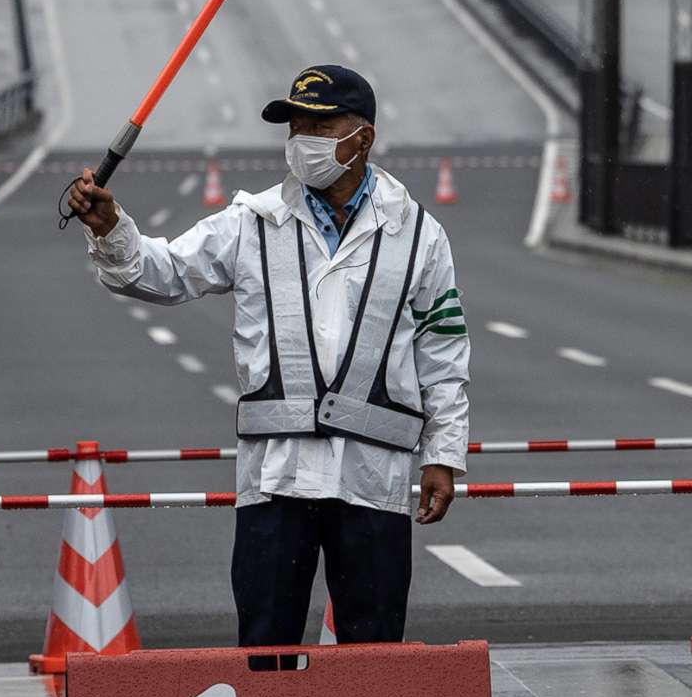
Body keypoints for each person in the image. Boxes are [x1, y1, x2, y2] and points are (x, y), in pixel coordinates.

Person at [64, 64, 469, 647]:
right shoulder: (252, 223)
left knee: (375, 657)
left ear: (363, 137)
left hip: (371, 479)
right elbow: (164, 273)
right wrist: (111, 228)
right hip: (274, 481)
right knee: (265, 653)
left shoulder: (418, 234)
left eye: (320, 125)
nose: (303, 139)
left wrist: (444, 455)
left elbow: (443, 349)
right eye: (295, 125)